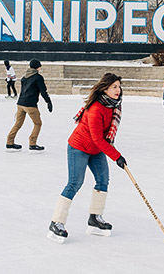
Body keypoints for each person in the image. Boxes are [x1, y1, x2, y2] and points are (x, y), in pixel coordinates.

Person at [47, 73, 128, 243]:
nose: (118, 90)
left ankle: (95, 219)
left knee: (103, 180)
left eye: (119, 86)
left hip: (95, 150)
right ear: (105, 88)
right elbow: (98, 139)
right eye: (114, 87)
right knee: (75, 183)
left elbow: (100, 141)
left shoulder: (114, 105)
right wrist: (117, 157)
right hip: (79, 147)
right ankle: (56, 223)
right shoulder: (96, 108)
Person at [6, 58, 52, 152]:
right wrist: (48, 102)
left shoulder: (24, 77)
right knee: (38, 123)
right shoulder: (38, 77)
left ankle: (9, 142)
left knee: (18, 124)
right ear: (37, 67)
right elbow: (43, 91)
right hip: (30, 105)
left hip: (20, 104)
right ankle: (32, 143)